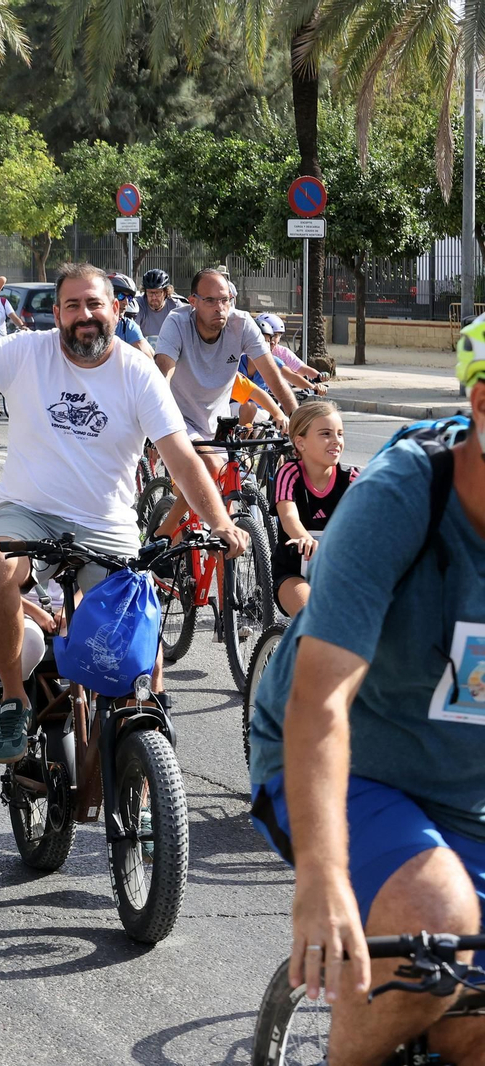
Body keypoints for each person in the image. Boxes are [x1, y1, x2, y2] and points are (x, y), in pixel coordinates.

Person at [244, 340, 485, 1064]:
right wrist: (321, 875)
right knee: (431, 929)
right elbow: (319, 702)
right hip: (351, 757)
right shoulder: (401, 496)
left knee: (471, 1028)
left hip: (466, 781)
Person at [0, 255, 249, 763]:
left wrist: (220, 523)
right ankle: (13, 697)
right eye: (72, 305)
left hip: (106, 524)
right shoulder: (29, 351)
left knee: (139, 639)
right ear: (57, 313)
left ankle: (144, 744)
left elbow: (181, 456)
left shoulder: (139, 373)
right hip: (27, 509)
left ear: (116, 309)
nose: (84, 314)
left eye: (94, 303)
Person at [150, 267, 297, 539]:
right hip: (178, 420)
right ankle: (162, 536)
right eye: (210, 300)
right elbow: (162, 376)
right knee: (211, 470)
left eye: (225, 299)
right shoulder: (177, 322)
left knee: (221, 478)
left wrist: (297, 421)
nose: (220, 307)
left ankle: (220, 565)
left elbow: (272, 376)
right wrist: (155, 424)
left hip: (216, 423)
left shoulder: (241, 324)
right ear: (192, 302)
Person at [270, 400, 355, 618]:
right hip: (294, 573)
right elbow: (288, 515)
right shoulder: (289, 474)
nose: (336, 441)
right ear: (301, 443)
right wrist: (302, 536)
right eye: (326, 434)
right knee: (312, 617)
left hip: (340, 573)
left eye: (340, 434)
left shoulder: (352, 478)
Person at [252, 313, 327, 396]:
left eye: (276, 335)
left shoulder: (279, 356)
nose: (272, 341)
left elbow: (295, 374)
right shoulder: (245, 354)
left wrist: (318, 379)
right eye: (267, 337)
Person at [136, 269, 184, 345]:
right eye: (150, 293)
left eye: (158, 293)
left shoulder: (175, 307)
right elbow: (134, 336)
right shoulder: (138, 306)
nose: (154, 297)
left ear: (165, 292)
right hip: (143, 353)